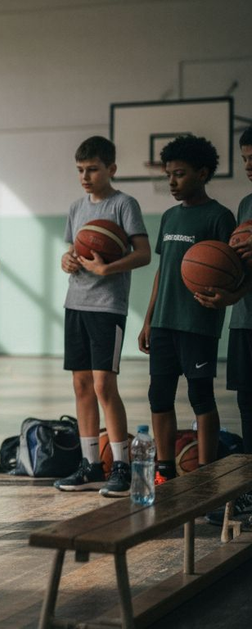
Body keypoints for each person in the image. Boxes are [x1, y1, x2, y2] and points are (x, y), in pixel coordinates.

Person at [54, 136, 150, 497]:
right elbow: (74, 250)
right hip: (75, 302)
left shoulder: (124, 204)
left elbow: (143, 253)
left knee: (103, 386)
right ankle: (91, 464)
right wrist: (67, 260)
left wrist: (108, 269)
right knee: (81, 386)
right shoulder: (76, 207)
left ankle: (121, 467)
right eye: (80, 170)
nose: (85, 176)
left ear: (111, 169)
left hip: (107, 306)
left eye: (92, 169)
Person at [138, 135, 235, 483]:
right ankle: (164, 470)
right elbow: (162, 272)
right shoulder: (169, 217)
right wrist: (149, 319)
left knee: (200, 396)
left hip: (198, 322)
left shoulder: (220, 217)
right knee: (158, 396)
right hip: (164, 322)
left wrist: (225, 296)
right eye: (169, 175)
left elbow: (234, 272)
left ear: (202, 173)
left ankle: (206, 476)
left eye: (179, 174)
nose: (172, 182)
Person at [201, 127, 252, 528]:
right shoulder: (246, 203)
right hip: (244, 321)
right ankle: (249, 489)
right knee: (247, 408)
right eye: (246, 159)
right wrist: (228, 295)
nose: (249, 167)